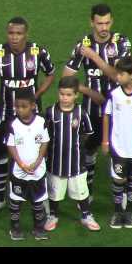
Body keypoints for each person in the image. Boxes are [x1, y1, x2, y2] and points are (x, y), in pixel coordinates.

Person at [0, 17, 55, 216]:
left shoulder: (38, 52)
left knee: (35, 154)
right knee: (0, 154)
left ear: (26, 34)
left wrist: (37, 95)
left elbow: (50, 74)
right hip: (6, 113)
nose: (14, 37)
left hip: (32, 117)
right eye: (11, 33)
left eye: (19, 33)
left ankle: (41, 196)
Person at [63, 4, 131, 201]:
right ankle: (88, 190)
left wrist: (94, 56)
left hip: (118, 108)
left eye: (107, 22)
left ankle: (122, 193)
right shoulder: (82, 44)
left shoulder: (121, 42)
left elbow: (119, 77)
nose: (104, 27)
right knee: (89, 149)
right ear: (91, 22)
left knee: (118, 149)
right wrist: (90, 92)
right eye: (100, 23)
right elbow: (67, 79)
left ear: (112, 21)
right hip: (91, 109)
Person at [43, 76, 101, 232]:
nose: (65, 98)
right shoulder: (50, 112)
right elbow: (45, 135)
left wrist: (77, 146)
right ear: (58, 93)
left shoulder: (81, 112)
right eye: (62, 94)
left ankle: (86, 215)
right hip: (55, 162)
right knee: (55, 193)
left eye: (69, 95)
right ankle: (53, 215)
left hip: (76, 162)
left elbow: (87, 133)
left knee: (81, 191)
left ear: (76, 95)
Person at [102, 56, 132, 229]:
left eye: (121, 74)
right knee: (119, 180)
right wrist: (105, 141)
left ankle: (129, 213)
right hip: (118, 146)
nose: (117, 76)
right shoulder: (114, 95)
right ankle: (117, 212)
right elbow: (107, 116)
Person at [6, 89, 50, 241]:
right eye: (17, 106)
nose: (19, 110)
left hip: (38, 171)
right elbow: (11, 146)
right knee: (16, 200)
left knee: (38, 200)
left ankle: (38, 228)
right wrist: (21, 164)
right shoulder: (13, 124)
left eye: (23, 106)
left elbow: (45, 142)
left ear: (33, 106)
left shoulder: (41, 121)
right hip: (19, 171)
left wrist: (38, 162)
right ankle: (15, 228)